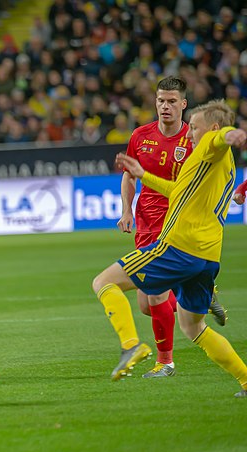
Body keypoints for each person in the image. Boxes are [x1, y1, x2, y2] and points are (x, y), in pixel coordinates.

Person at [93, 99, 247, 395]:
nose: (189, 134)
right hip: (208, 257)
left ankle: (131, 345)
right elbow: (178, 191)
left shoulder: (210, 145)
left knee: (103, 282)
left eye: (196, 128)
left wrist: (232, 134)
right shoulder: (212, 165)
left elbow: (221, 137)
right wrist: (143, 175)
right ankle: (245, 379)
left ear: (212, 128)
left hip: (178, 248)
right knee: (193, 328)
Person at [117, 76, 191, 378]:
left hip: (174, 225)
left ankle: (165, 362)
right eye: (161, 100)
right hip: (145, 225)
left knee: (156, 294)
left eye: (172, 101)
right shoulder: (140, 135)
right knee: (147, 305)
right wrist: (126, 210)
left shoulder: (192, 140)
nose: (165, 106)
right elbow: (129, 176)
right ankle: (197, 295)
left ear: (183, 104)